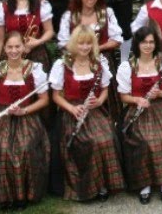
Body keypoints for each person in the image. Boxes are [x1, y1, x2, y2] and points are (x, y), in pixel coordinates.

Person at [50, 26, 125, 202]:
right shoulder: (62, 65)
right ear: (74, 44)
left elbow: (105, 90)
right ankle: (87, 186)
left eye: (88, 43)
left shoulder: (99, 64)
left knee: (105, 138)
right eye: (81, 43)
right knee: (87, 142)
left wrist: (99, 101)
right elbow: (55, 96)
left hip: (93, 110)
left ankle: (104, 184)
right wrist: (72, 108)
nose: (84, 47)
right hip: (71, 111)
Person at [118, 26, 162, 203]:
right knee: (143, 139)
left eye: (151, 42)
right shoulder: (128, 66)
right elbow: (123, 96)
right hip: (138, 109)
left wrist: (161, 94)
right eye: (144, 42)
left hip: (161, 106)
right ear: (137, 44)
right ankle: (145, 183)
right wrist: (137, 100)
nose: (148, 46)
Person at [0, 31, 49, 209]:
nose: (13, 50)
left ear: (23, 47)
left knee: (25, 147)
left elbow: (44, 100)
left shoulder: (34, 69)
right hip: (3, 115)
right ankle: (4, 195)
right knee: (2, 148)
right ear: (4, 48)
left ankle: (23, 195)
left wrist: (24, 110)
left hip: (26, 116)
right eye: (10, 47)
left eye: (17, 46)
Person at [0, 0, 55, 67]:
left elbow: (49, 31)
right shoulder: (2, 6)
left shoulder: (41, 3)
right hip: (11, 54)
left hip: (36, 54)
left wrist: (38, 41)